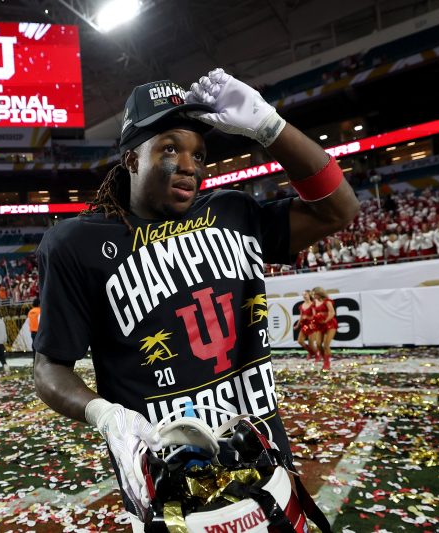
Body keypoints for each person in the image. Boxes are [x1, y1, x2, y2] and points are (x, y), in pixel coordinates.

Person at [33, 69, 359, 527]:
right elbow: (49, 368)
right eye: (170, 148)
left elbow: (340, 209)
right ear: (131, 159)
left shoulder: (233, 211)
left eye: (199, 154)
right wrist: (106, 416)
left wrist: (271, 127)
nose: (189, 165)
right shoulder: (76, 244)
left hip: (262, 462)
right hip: (166, 483)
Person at [312, 287, 337, 371]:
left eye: (314, 294)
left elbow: (332, 312)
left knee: (326, 345)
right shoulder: (315, 302)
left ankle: (327, 363)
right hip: (320, 324)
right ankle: (325, 359)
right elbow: (315, 315)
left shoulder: (327, 301)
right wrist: (314, 321)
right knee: (318, 343)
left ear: (319, 294)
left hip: (330, 323)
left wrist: (326, 320)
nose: (313, 296)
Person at [296, 290, 317, 361]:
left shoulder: (313, 304)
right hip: (304, 325)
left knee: (311, 343)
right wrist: (297, 325)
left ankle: (317, 354)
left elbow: (315, 316)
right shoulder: (301, 305)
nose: (304, 296)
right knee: (300, 341)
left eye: (305, 294)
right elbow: (301, 316)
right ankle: (311, 352)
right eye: (303, 295)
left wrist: (307, 317)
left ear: (309, 295)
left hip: (311, 325)